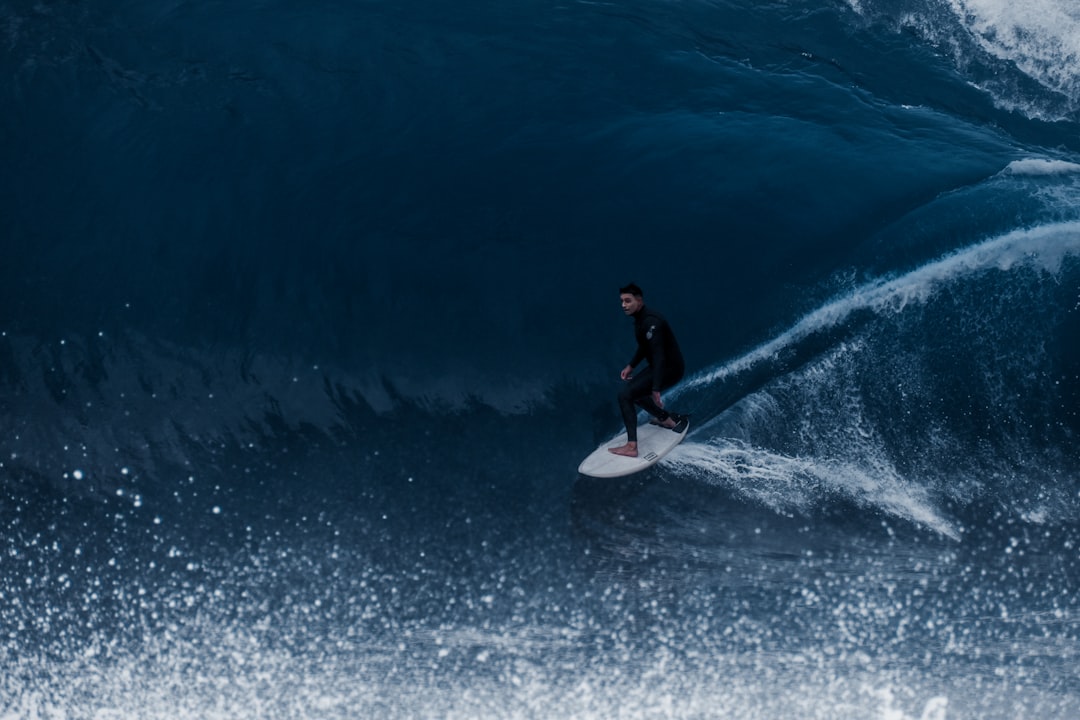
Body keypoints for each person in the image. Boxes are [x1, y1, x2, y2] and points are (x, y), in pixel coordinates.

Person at [609, 283, 686, 457]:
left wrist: (656, 388)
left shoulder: (652, 322)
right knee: (632, 392)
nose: (623, 305)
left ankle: (631, 447)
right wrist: (631, 365)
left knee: (625, 395)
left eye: (628, 301)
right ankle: (666, 420)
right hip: (662, 367)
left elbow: (658, 356)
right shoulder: (641, 319)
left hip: (670, 369)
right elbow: (646, 347)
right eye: (622, 301)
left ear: (639, 301)